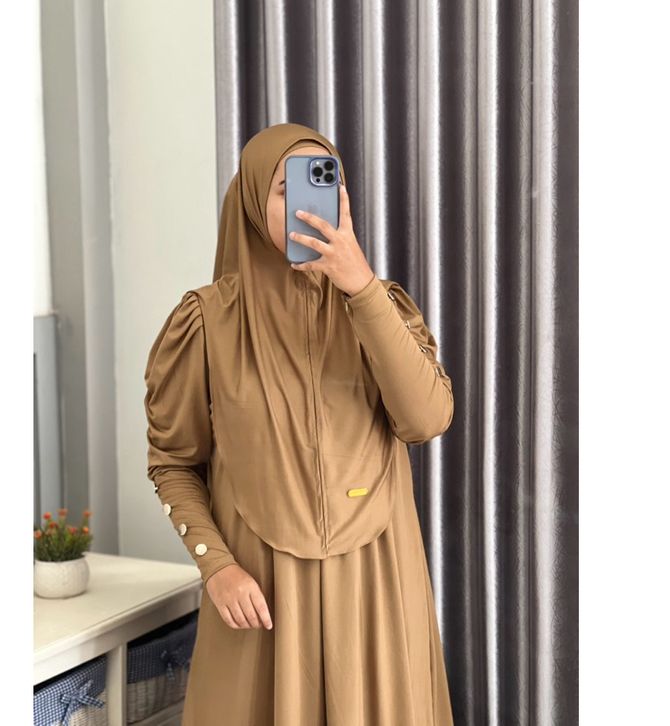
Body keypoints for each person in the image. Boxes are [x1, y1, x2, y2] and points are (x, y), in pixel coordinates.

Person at [143, 122, 455, 725]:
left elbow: (426, 419)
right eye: (287, 189)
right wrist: (216, 565)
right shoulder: (206, 323)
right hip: (261, 595)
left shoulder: (380, 308)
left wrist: (361, 288)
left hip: (375, 588)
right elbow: (174, 463)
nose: (310, 203)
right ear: (252, 202)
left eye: (325, 184)